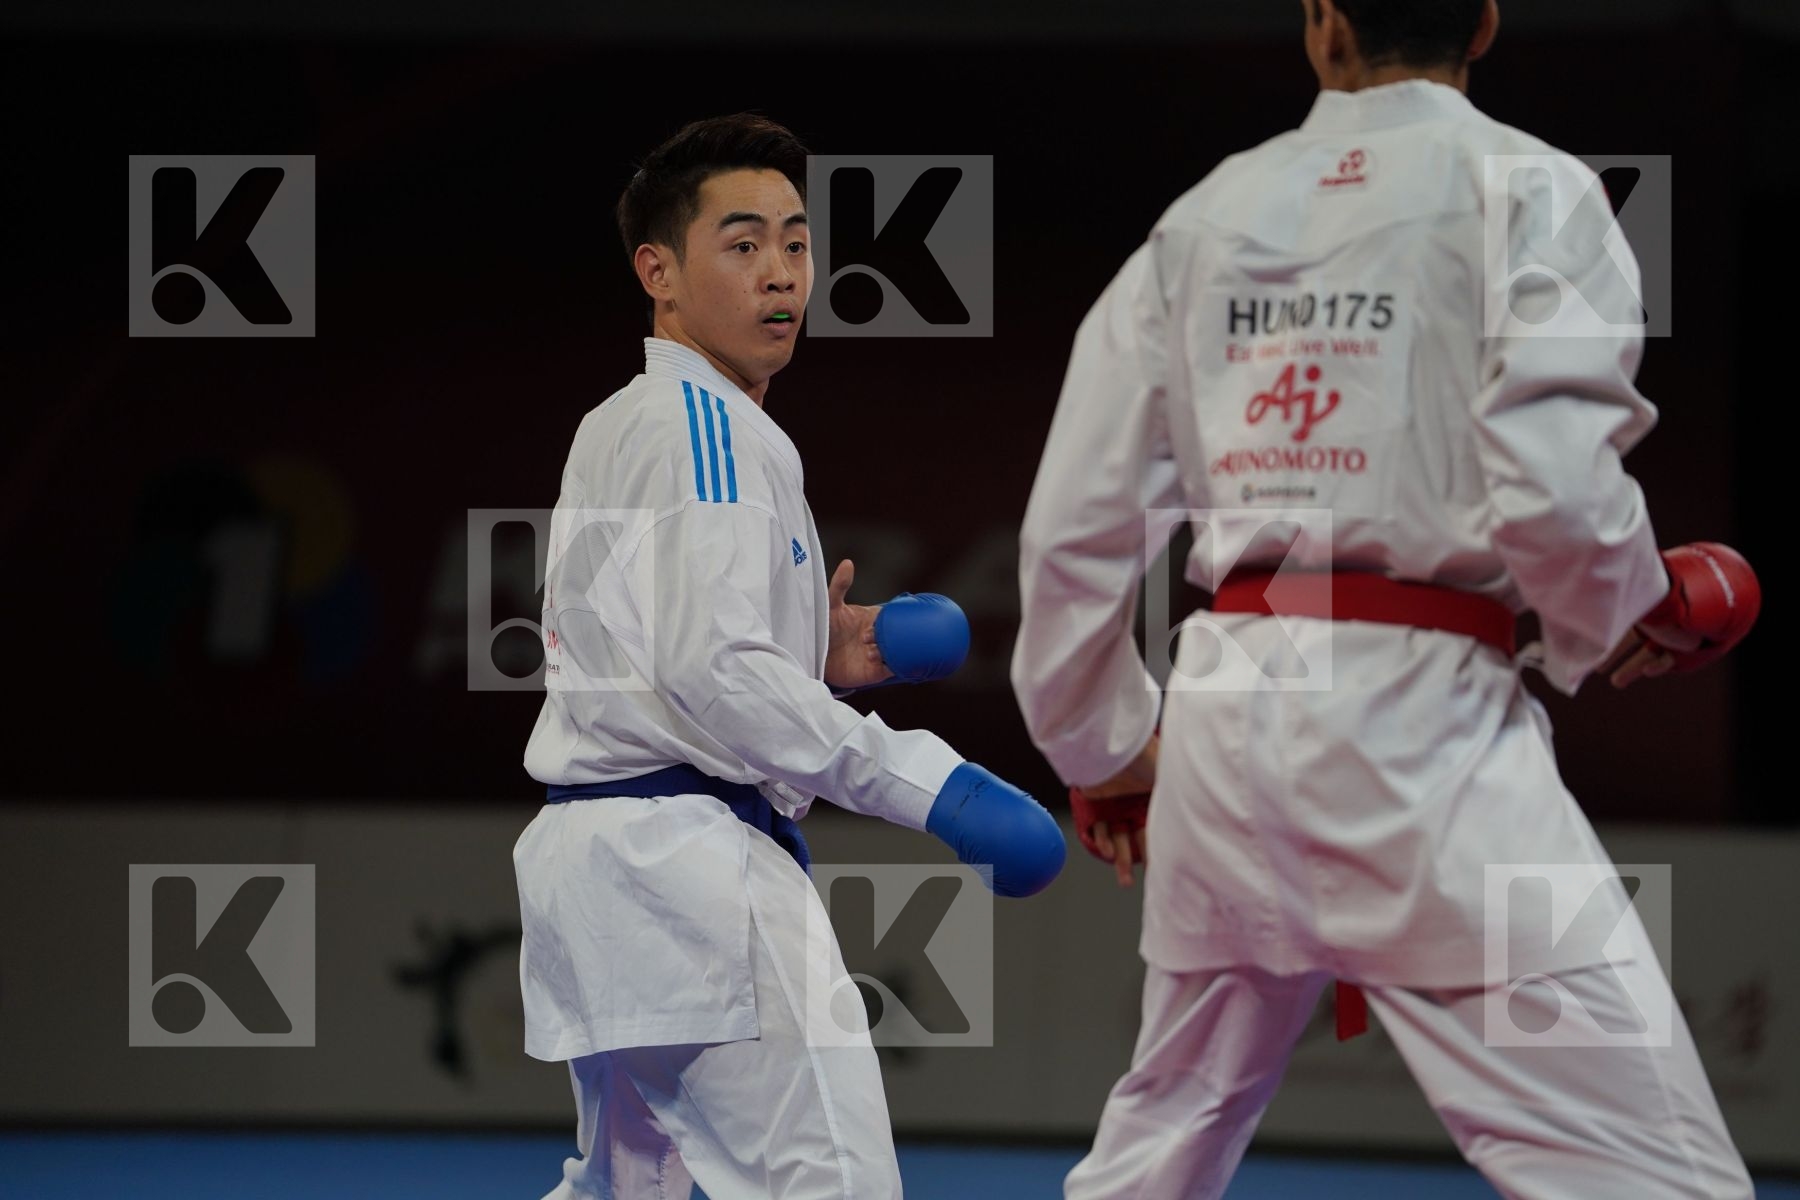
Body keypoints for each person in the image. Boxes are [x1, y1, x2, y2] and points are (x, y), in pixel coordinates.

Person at [1010, 2, 1760, 1196]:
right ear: (1485, 22)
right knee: (1646, 1173)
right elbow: (1558, 488)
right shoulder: (1535, 189)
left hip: (1232, 722)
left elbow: (1073, 532)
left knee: (1160, 1147)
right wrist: (1632, 610)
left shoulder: (1202, 218)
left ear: (1323, 25)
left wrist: (1102, 745)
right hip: (1429, 738)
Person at [515, 112, 1065, 1200]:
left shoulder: (621, 419)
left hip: (599, 860)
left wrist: (808, 653)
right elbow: (715, 671)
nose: (782, 274)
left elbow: (663, 646)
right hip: (691, 868)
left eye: (798, 244)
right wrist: (934, 786)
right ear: (657, 272)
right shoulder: (706, 423)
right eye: (743, 244)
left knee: (630, 1191)